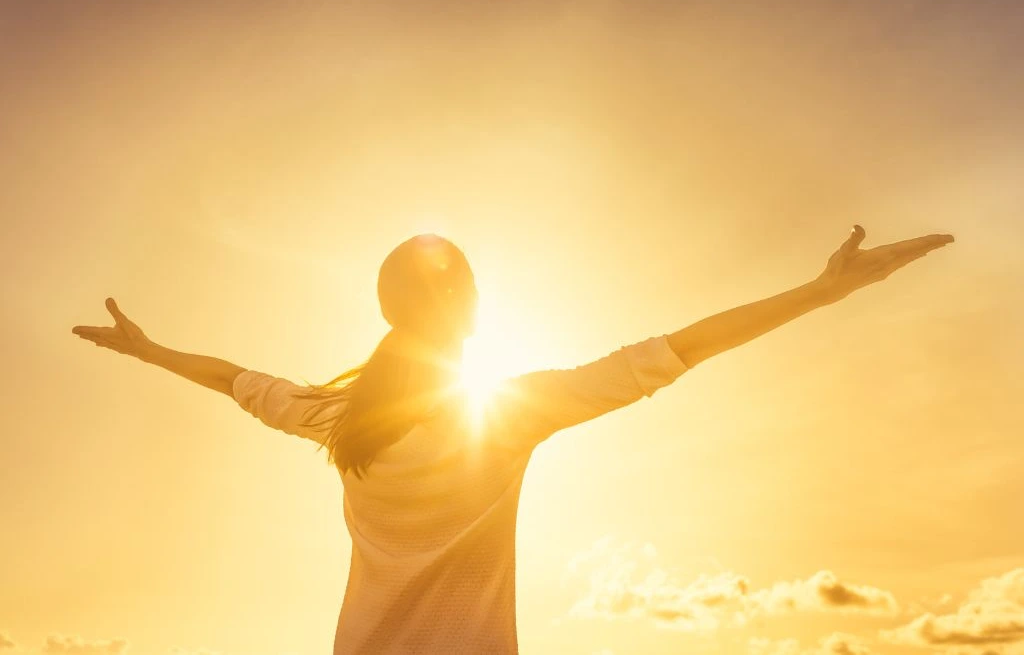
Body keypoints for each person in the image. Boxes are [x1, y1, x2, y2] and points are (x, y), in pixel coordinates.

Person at [71, 225, 954, 654]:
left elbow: (233, 378)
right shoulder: (510, 413)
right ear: (466, 311)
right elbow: (680, 348)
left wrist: (149, 350)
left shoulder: (338, 419)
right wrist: (817, 292)